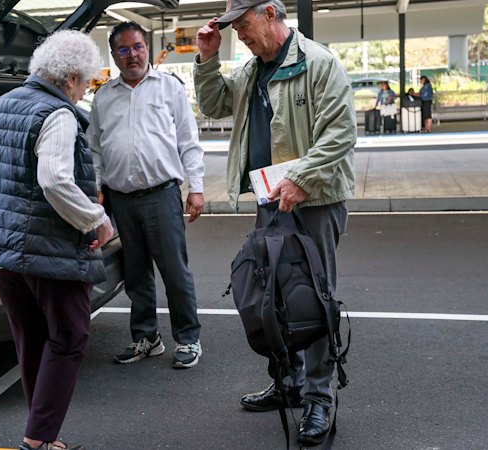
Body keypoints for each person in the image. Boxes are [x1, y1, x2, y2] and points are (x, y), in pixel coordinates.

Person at [194, 0, 355, 445]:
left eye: (243, 25)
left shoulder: (318, 63)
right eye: (234, 29)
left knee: (315, 298)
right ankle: (288, 382)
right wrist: (207, 57)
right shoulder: (251, 70)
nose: (240, 35)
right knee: (275, 297)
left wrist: (302, 178)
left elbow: (341, 131)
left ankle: (319, 398)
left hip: (315, 198)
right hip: (271, 199)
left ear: (270, 13)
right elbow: (213, 103)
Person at [0, 30, 114, 450]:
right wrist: (95, 220)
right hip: (46, 248)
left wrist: (11, 192)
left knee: (30, 337)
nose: (85, 91)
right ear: (70, 78)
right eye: (86, 82)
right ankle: (36, 443)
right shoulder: (58, 113)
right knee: (69, 338)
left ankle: (41, 437)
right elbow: (53, 181)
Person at [88, 21, 205, 369]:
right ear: (114, 55)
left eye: (137, 47)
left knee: (174, 272)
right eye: (123, 49)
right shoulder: (104, 97)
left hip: (162, 196)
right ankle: (146, 337)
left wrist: (196, 188)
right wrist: (95, 190)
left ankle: (188, 339)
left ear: (147, 48)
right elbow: (95, 150)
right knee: (136, 273)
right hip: (120, 199)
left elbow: (189, 142)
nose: (132, 55)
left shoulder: (169, 88)